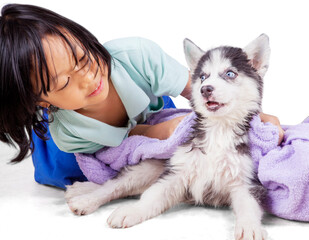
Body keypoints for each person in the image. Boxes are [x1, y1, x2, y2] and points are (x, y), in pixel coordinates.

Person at [0, 4, 284, 188]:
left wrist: (256, 119)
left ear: (82, 37)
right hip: (77, 141)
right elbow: (122, 145)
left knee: (186, 130)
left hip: (150, 107)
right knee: (59, 170)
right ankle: (39, 126)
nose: (89, 79)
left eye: (82, 58)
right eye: (64, 82)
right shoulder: (68, 133)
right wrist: (154, 132)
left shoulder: (137, 56)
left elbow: (200, 92)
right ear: (45, 101)